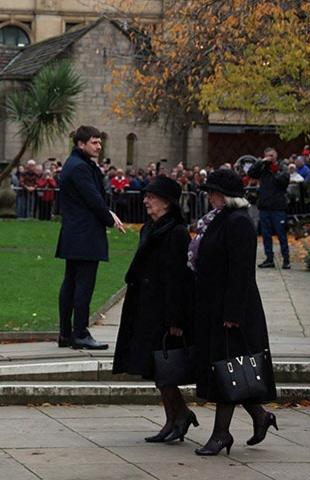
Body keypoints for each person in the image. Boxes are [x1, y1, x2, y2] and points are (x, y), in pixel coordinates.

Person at [190, 168, 278, 456]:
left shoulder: (238, 222)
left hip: (233, 308)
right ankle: (260, 416)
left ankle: (221, 434)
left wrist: (232, 312)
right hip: (216, 306)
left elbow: (241, 272)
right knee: (231, 369)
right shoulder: (222, 219)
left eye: (214, 192)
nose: (210, 196)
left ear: (226, 195)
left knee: (227, 368)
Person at [112, 176, 196, 443]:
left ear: (167, 202)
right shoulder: (151, 227)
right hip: (144, 306)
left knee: (163, 368)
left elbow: (178, 279)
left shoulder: (176, 232)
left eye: (151, 196)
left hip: (163, 310)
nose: (145, 201)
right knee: (154, 367)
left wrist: (176, 318)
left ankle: (178, 415)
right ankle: (176, 416)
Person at [56, 125, 126, 350]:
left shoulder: (76, 164)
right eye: (94, 142)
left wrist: (109, 214)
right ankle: (79, 333)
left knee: (71, 283)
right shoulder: (80, 168)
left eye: (99, 142)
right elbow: (93, 198)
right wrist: (109, 217)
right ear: (81, 144)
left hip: (75, 232)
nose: (99, 146)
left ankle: (67, 333)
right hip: (84, 234)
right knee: (82, 285)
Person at [248, 148, 291, 269]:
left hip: (278, 207)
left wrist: (274, 169)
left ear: (276, 155)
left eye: (271, 155)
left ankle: (286, 259)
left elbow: (283, 181)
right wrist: (260, 162)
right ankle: (269, 258)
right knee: (266, 235)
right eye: (267, 156)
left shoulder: (282, 167)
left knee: (281, 234)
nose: (270, 158)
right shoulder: (262, 168)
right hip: (265, 206)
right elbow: (251, 173)